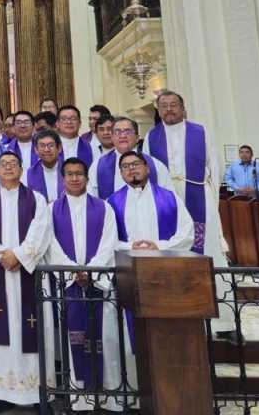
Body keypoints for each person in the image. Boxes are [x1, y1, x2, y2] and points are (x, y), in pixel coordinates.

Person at [105, 151, 194, 397]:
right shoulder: (112, 202)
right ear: (121, 173)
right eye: (125, 167)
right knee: (130, 330)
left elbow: (187, 234)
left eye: (136, 165)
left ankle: (171, 389)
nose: (131, 170)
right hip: (129, 275)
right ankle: (134, 388)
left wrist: (159, 246)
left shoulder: (169, 198)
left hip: (164, 274)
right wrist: (130, 247)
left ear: (147, 168)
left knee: (165, 333)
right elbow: (108, 240)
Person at [147, 90, 235, 338]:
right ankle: (177, 314)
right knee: (171, 256)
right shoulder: (151, 136)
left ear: (183, 107)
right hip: (168, 203)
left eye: (173, 105)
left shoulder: (200, 132)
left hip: (198, 198)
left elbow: (214, 168)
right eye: (163, 106)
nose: (169, 110)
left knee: (208, 255)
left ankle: (223, 322)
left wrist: (212, 203)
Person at [0, 151, 53, 413]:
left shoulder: (36, 199)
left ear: (21, 169)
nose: (8, 168)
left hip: (27, 275)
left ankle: (37, 392)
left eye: (13, 164)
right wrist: (1, 256)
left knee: (31, 330)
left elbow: (41, 230)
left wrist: (18, 255)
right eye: (3, 165)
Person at [45, 157, 122, 412]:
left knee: (105, 338)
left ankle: (107, 397)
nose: (75, 178)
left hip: (96, 283)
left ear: (87, 178)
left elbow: (109, 242)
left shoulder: (104, 207)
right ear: (63, 178)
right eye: (70, 174)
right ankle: (78, 399)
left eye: (79, 174)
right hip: (69, 284)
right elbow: (50, 243)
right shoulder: (51, 209)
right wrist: (72, 270)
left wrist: (91, 271)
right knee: (73, 339)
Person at [89, 118, 169, 200]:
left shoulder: (156, 166)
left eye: (128, 132)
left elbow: (168, 199)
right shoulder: (97, 166)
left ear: (137, 138)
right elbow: (92, 201)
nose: (122, 136)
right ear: (112, 138)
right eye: (117, 132)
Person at [25, 129, 63, 201]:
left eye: (51, 145)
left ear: (59, 148)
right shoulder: (28, 174)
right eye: (42, 146)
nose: (46, 150)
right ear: (36, 150)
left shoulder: (69, 170)